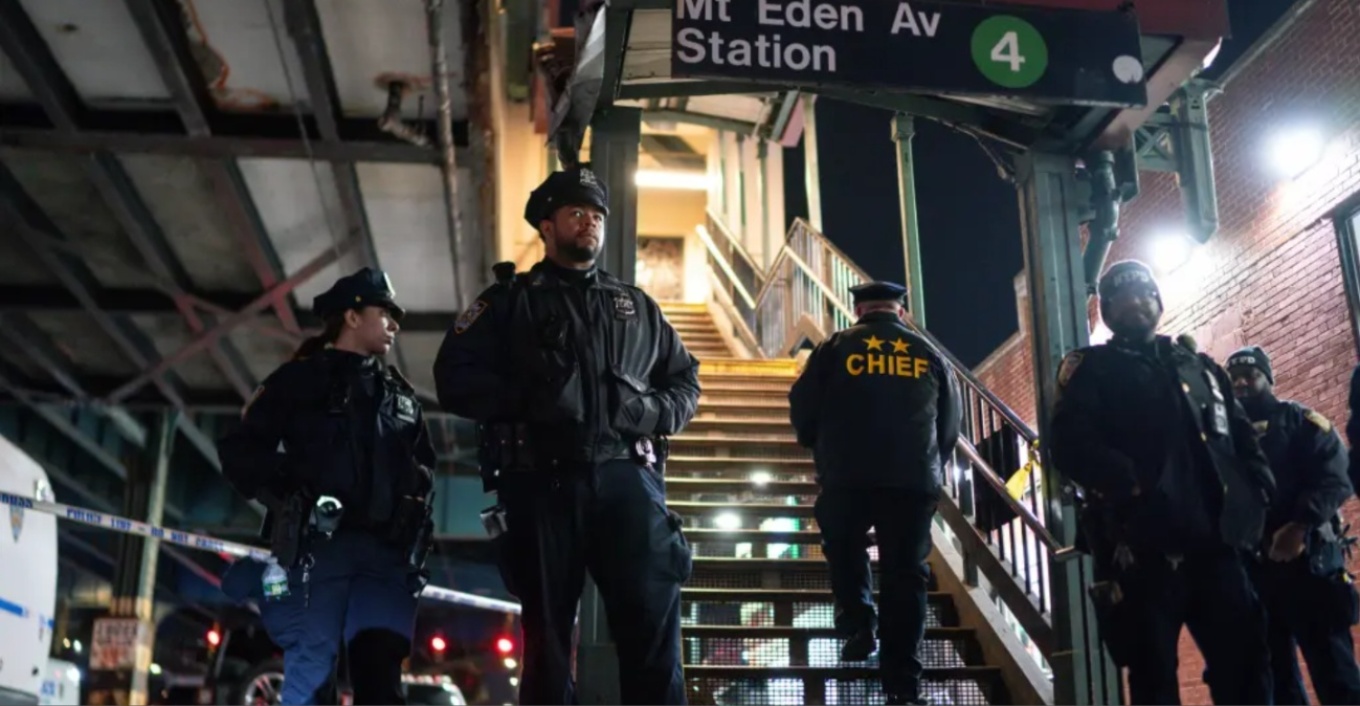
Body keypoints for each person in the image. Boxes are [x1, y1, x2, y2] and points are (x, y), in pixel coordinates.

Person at [432, 166, 701, 705]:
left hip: (628, 479)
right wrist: (529, 402)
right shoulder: (509, 302)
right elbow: (453, 377)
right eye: (577, 212)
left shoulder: (636, 306)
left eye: (597, 214)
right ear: (547, 226)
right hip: (543, 483)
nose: (590, 222)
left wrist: (647, 411)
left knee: (652, 624)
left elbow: (685, 382)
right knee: (548, 638)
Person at [1049, 259, 1277, 705]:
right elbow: (1069, 442)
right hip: (1141, 550)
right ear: (1106, 311)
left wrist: (1258, 489)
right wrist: (1129, 484)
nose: (1135, 304)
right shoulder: (1091, 368)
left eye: (1143, 295)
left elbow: (1241, 436)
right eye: (1121, 298)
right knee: (1153, 677)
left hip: (1217, 546)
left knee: (1247, 665)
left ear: (1158, 302)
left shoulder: (1199, 366)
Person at [217, 267, 437, 705]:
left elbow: (424, 470)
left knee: (382, 683)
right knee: (313, 678)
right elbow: (241, 450)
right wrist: (289, 495)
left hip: (384, 559)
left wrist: (412, 518)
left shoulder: (401, 398)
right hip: (317, 551)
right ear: (352, 317)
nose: (394, 324)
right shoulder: (299, 381)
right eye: (384, 313)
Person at [787, 280, 961, 706]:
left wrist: (816, 446)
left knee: (845, 547)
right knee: (906, 574)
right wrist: (931, 464)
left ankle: (859, 621)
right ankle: (902, 684)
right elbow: (949, 424)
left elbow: (803, 406)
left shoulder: (834, 348)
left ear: (858, 312)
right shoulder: (929, 353)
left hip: (847, 475)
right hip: (912, 480)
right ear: (900, 313)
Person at [1226, 346, 1360, 705]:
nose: (1241, 383)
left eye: (1250, 375)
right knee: (1277, 680)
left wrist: (1299, 526)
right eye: (1234, 378)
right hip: (1256, 573)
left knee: (1335, 673)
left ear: (1268, 378)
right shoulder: (1226, 441)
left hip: (1309, 566)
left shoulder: (1300, 421)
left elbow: (1338, 478)